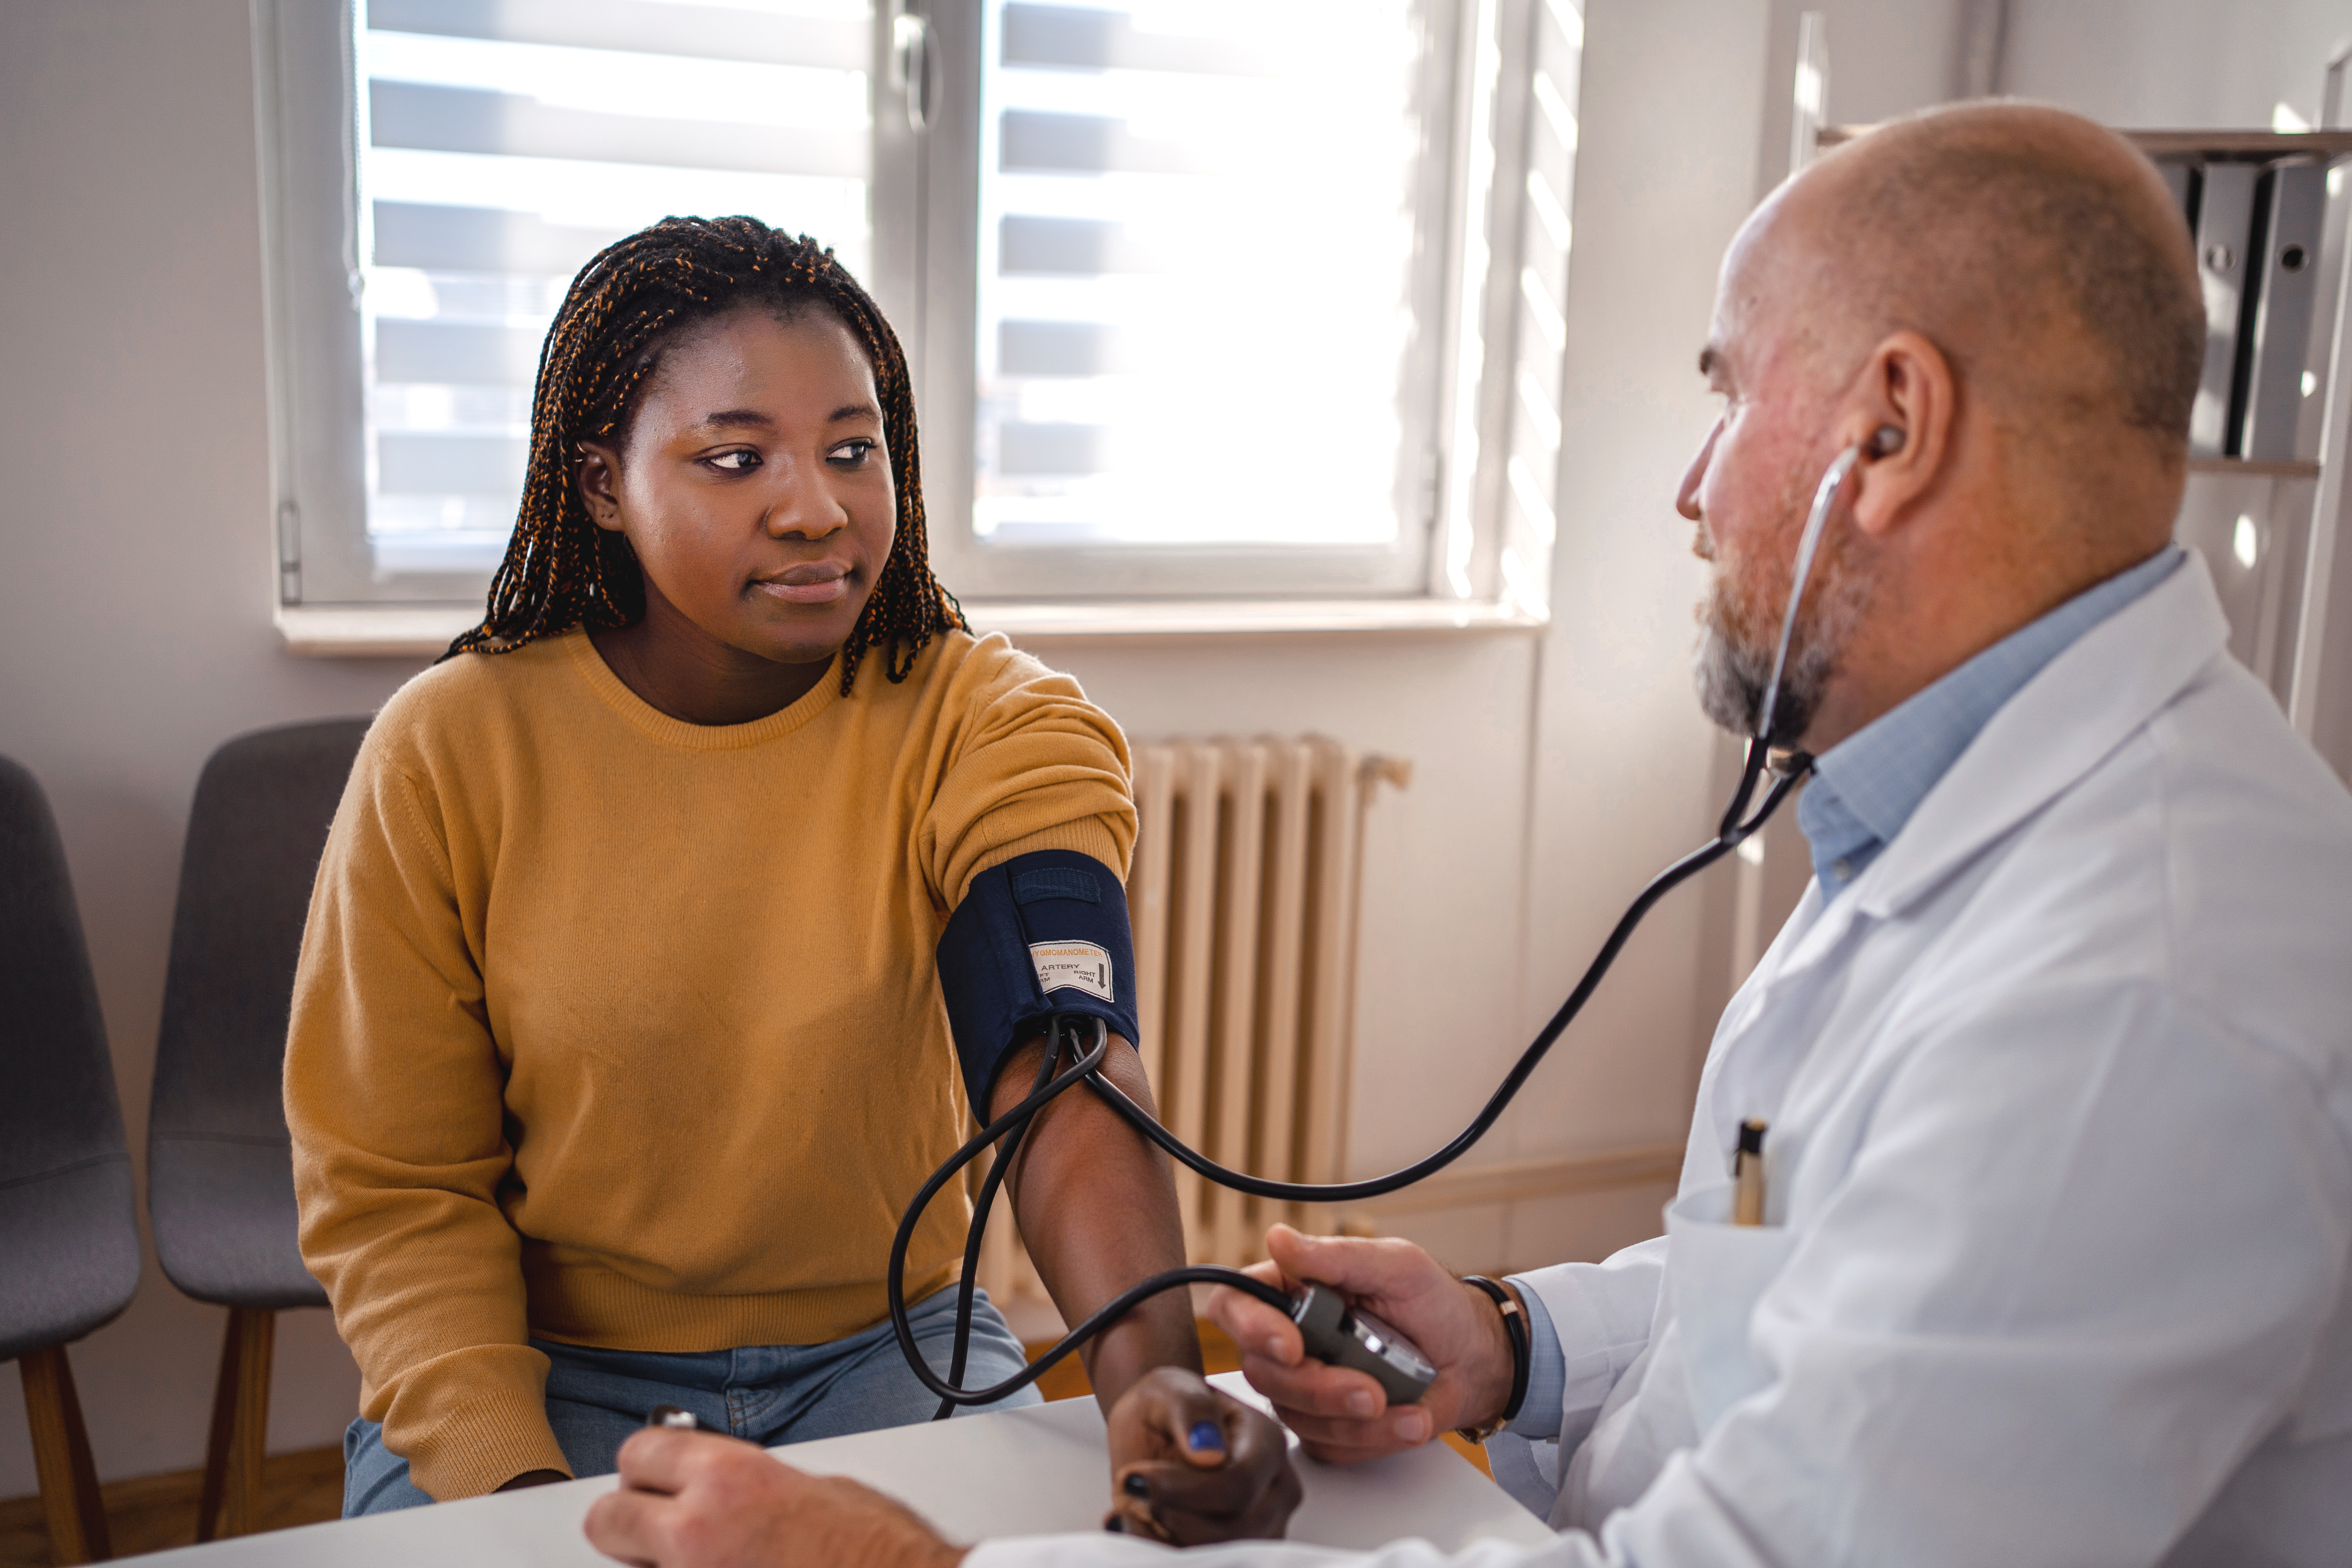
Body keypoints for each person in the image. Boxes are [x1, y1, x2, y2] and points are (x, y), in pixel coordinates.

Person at [577, 103, 2352, 1568]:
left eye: (1728, 395)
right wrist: (1517, 1338)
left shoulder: (2143, 989)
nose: (1690, 485)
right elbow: (1815, 1259)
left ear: (1889, 429)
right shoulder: (1956, 832)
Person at [284, 216, 1293, 1539]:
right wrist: (523, 1499)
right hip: (546, 1375)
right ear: (602, 483)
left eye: (852, 450)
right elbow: (398, 1187)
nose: (817, 505)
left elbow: (1059, 1057)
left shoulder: (989, 722)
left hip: (890, 1352)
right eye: (736, 456)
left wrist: (1147, 1371)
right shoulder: (449, 751)